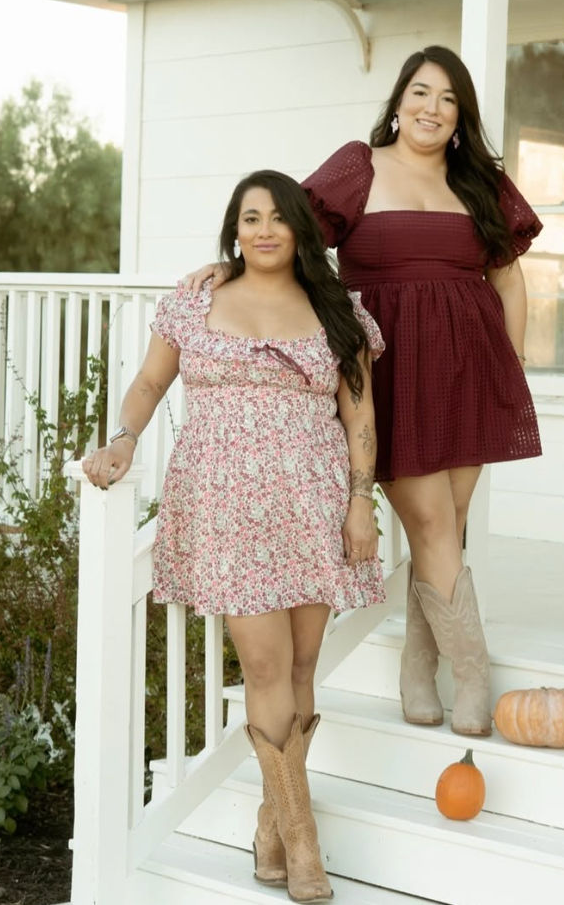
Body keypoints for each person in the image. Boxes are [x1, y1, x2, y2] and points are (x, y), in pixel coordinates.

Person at [185, 46, 542, 738]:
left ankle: (418, 665)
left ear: (461, 116)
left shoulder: (480, 184)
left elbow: (509, 279)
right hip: (386, 369)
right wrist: (232, 265)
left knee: (446, 528)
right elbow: (289, 237)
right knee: (435, 526)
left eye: (446, 99)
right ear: (399, 102)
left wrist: (514, 363)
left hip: (469, 366)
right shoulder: (360, 166)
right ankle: (473, 675)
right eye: (420, 92)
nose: (431, 108)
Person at [83, 169, 386, 904]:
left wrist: (358, 503)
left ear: (300, 232)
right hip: (226, 510)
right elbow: (151, 383)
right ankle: (303, 838)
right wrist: (124, 438)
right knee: (265, 669)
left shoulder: (337, 311)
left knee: (305, 664)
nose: (264, 229)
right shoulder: (197, 300)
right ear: (234, 229)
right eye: (250, 217)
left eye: (279, 217)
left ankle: (271, 825)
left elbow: (360, 420)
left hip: (312, 505)